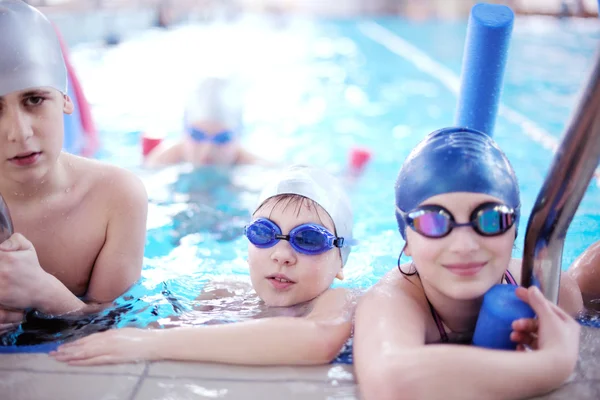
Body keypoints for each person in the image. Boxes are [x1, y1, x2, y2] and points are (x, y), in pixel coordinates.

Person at [353, 127, 582, 400]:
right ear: (406, 240)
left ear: (514, 230)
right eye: (433, 222)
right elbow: (390, 383)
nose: (465, 246)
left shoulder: (555, 292)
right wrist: (553, 363)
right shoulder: (391, 300)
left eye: (491, 219)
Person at [51, 165, 357, 365]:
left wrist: (150, 344)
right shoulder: (220, 293)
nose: (281, 254)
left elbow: (317, 339)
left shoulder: (340, 300)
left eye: (309, 239)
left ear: (341, 261)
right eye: (263, 233)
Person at [0, 0, 147, 328]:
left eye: (34, 99)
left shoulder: (115, 197)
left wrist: (43, 291)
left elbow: (119, 328)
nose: (19, 133)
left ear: (66, 98)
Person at [143, 76, 261, 168]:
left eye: (222, 138)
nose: (208, 149)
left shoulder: (257, 168)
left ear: (237, 139)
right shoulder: (162, 161)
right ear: (184, 134)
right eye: (197, 135)